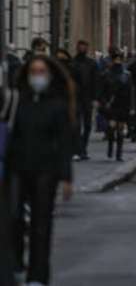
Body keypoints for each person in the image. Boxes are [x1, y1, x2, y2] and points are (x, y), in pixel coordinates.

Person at [4, 55, 75, 285]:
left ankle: (38, 275)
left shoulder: (57, 105)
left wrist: (66, 176)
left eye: (41, 71)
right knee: (13, 218)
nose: (37, 76)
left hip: (46, 170)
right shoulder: (18, 101)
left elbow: (65, 143)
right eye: (33, 71)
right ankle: (15, 263)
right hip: (17, 167)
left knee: (41, 224)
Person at [99, 50, 135, 162]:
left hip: (123, 104)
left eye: (119, 59)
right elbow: (103, 90)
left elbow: (131, 91)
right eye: (116, 59)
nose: (118, 61)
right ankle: (110, 148)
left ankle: (119, 154)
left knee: (120, 129)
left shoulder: (126, 75)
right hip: (111, 105)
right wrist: (104, 103)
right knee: (111, 127)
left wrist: (132, 107)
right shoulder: (106, 74)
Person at [72, 41, 98, 160]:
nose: (83, 48)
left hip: (87, 97)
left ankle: (83, 148)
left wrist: (95, 98)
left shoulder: (91, 64)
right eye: (81, 46)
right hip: (76, 98)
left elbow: (95, 81)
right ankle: (78, 149)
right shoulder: (73, 63)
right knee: (77, 125)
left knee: (87, 125)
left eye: (85, 47)